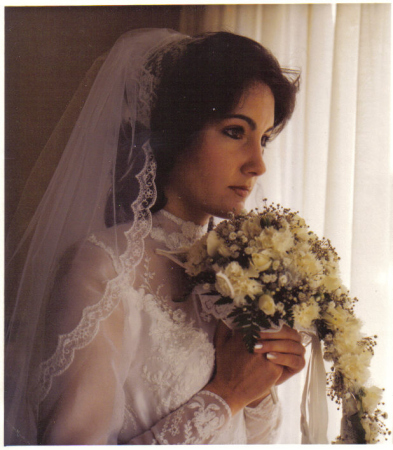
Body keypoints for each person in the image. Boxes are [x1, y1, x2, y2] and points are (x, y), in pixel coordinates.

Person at [5, 28, 305, 445]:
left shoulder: (240, 277)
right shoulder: (103, 267)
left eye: (264, 139)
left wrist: (260, 384)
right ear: (179, 130)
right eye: (236, 132)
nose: (257, 164)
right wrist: (226, 396)